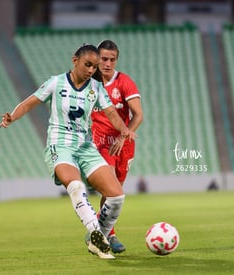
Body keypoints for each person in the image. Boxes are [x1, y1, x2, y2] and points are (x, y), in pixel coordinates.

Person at [0, 44, 137, 259]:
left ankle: (98, 238)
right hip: (60, 145)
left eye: (94, 67)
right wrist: (12, 117)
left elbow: (112, 113)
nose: (91, 70)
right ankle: (95, 233)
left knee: (117, 196)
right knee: (75, 185)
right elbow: (31, 102)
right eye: (87, 65)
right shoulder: (57, 82)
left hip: (85, 147)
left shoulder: (96, 88)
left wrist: (124, 129)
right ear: (75, 61)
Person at [90, 40, 144, 253]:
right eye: (104, 59)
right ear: (97, 59)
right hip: (102, 141)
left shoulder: (124, 82)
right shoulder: (91, 82)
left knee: (116, 192)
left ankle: (98, 224)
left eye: (112, 59)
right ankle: (109, 235)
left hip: (124, 143)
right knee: (111, 185)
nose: (108, 63)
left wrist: (123, 137)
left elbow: (139, 114)